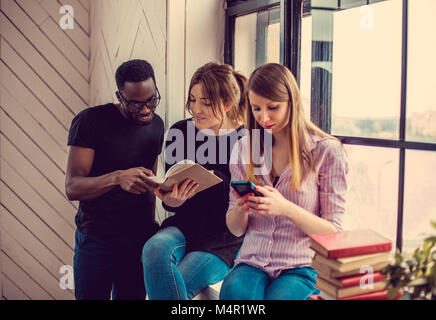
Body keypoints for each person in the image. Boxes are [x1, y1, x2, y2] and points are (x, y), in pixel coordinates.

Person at [220, 63, 349, 300]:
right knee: (234, 294)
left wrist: (286, 208)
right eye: (256, 108)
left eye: (273, 107)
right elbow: (235, 229)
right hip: (252, 261)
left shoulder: (326, 151)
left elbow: (334, 234)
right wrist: (240, 209)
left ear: (293, 102)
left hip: (302, 265)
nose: (264, 117)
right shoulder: (243, 149)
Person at [141, 62, 246, 300]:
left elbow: (247, 201)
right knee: (154, 248)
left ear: (227, 104)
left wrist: (217, 179)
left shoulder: (246, 140)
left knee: (181, 283)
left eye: (206, 103)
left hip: (224, 238)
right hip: (185, 226)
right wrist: (173, 200)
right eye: (192, 99)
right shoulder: (180, 132)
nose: (196, 109)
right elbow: (170, 201)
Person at [66, 59, 164, 300]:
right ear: (119, 96)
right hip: (97, 239)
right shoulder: (90, 121)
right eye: (135, 104)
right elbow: (72, 186)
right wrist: (117, 177)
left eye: (151, 100)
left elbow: (149, 184)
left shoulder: (157, 126)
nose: (145, 110)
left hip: (138, 239)